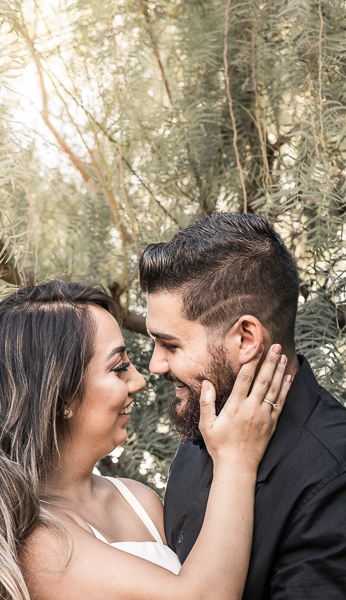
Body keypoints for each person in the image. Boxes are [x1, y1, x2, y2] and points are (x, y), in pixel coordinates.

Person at [0, 281, 291, 600]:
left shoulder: (140, 500)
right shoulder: (34, 542)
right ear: (61, 397)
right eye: (118, 368)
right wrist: (236, 459)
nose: (139, 381)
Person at [140, 212, 346, 600]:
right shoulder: (200, 434)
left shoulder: (334, 475)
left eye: (170, 345)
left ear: (246, 338)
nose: (155, 365)